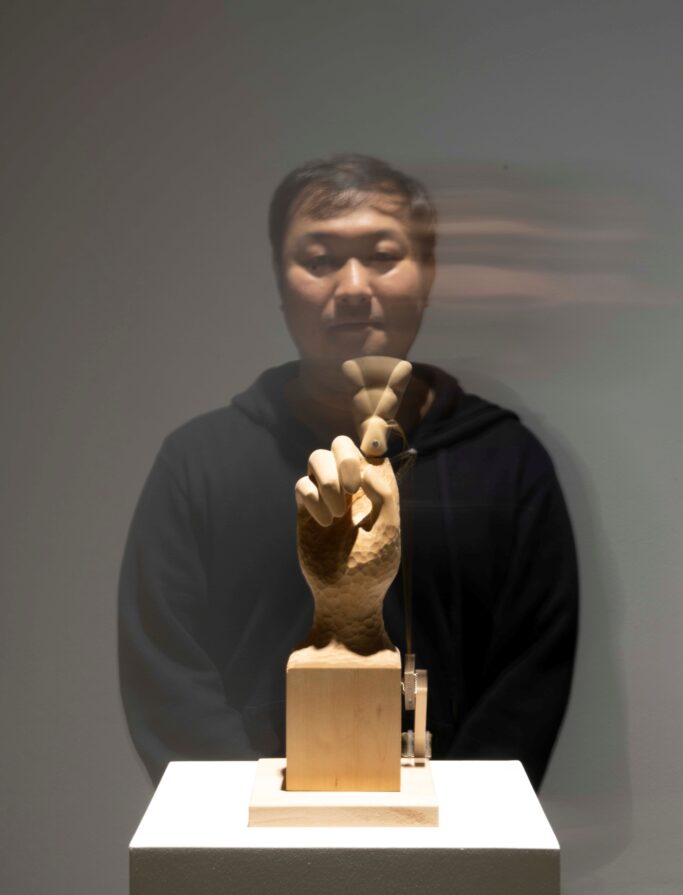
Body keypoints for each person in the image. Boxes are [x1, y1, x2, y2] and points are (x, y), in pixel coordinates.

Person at [118, 154, 578, 790]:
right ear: (280, 281)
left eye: (383, 256)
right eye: (320, 259)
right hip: (243, 831)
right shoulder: (200, 463)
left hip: (456, 834)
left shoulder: (507, 462)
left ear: (428, 272)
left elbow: (529, 677)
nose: (354, 286)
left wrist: (460, 821)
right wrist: (240, 817)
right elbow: (166, 672)